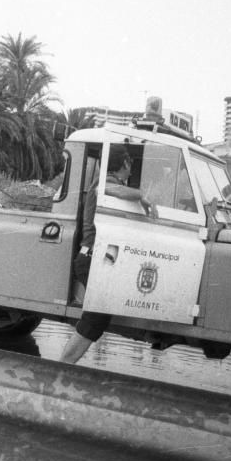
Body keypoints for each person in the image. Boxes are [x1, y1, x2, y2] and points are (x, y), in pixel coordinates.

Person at [61, 145, 157, 365]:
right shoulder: (102, 183)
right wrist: (143, 195)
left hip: (99, 260)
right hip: (90, 260)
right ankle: (62, 366)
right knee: (95, 317)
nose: (132, 168)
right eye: (131, 163)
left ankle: (64, 365)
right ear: (124, 163)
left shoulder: (111, 183)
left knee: (98, 317)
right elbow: (112, 190)